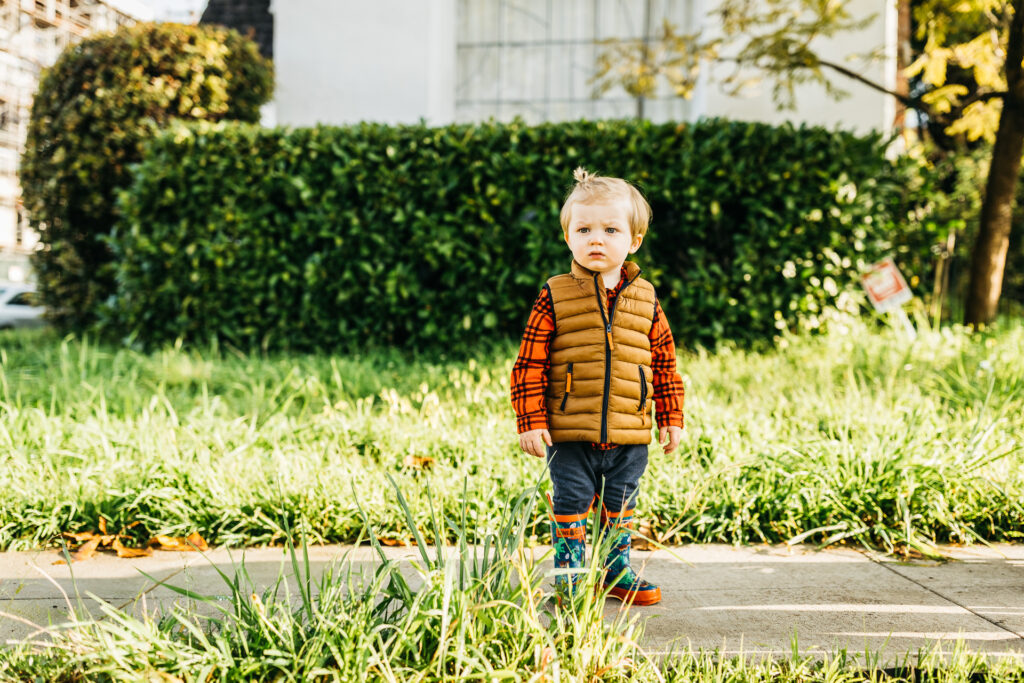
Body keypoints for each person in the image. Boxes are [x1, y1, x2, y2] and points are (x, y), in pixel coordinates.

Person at [510, 167, 685, 606]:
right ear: (568, 237)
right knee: (570, 505)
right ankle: (570, 575)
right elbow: (529, 362)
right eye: (584, 229)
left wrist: (671, 416)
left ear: (633, 241)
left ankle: (615, 570)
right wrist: (530, 421)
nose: (596, 239)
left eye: (610, 229)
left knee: (620, 505)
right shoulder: (555, 294)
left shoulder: (646, 297)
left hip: (630, 430)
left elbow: (664, 362)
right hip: (568, 431)